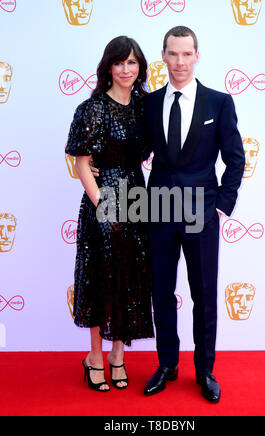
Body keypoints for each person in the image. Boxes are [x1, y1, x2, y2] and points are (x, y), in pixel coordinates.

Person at [143, 26, 245, 402]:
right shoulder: (150, 104)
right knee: (161, 292)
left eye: (187, 54)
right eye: (173, 54)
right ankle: (167, 364)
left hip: (202, 211)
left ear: (197, 55)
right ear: (164, 56)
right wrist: (102, 164)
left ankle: (205, 371)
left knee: (203, 295)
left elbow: (235, 158)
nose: (180, 62)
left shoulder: (219, 102)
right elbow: (135, 150)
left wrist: (221, 205)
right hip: (158, 211)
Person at [65, 36, 154, 392]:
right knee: (102, 279)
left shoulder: (146, 106)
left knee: (130, 280)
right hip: (102, 202)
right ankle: (94, 358)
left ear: (140, 67)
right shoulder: (93, 108)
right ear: (108, 67)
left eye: (132, 63)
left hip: (137, 197)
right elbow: (83, 164)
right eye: (119, 63)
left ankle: (118, 356)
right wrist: (104, 203)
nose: (126, 70)